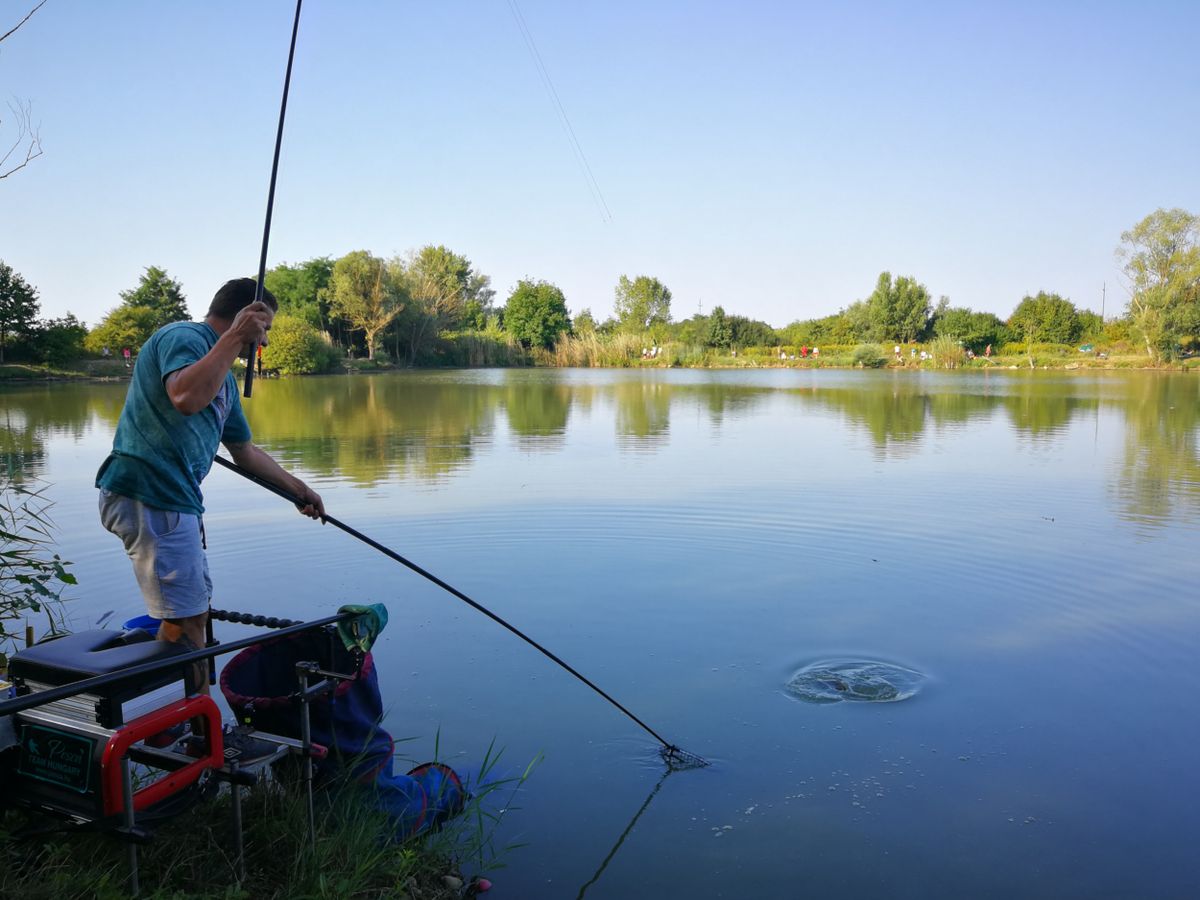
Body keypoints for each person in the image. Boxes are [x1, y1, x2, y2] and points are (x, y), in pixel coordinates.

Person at [96, 278, 325, 751]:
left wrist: (299, 490)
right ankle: (197, 736)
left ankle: (185, 726)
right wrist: (232, 339)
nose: (263, 343)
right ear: (246, 317)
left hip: (173, 502)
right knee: (188, 623)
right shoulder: (186, 338)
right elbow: (184, 397)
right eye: (263, 330)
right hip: (150, 494)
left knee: (190, 619)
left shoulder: (221, 372)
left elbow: (244, 451)